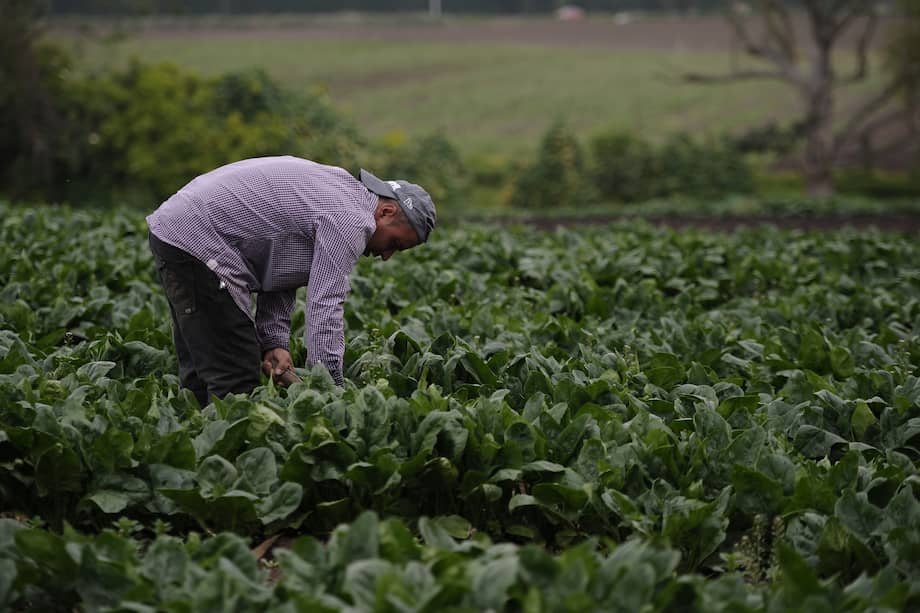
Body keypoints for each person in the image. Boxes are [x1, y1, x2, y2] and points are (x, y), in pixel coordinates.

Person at [146, 156, 436, 407]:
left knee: (202, 372)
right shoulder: (352, 218)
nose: (386, 256)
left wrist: (274, 340)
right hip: (199, 239)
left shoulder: (339, 189)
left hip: (176, 230)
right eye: (395, 243)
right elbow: (325, 305)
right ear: (386, 211)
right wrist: (330, 387)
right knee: (236, 377)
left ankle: (197, 445)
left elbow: (280, 266)